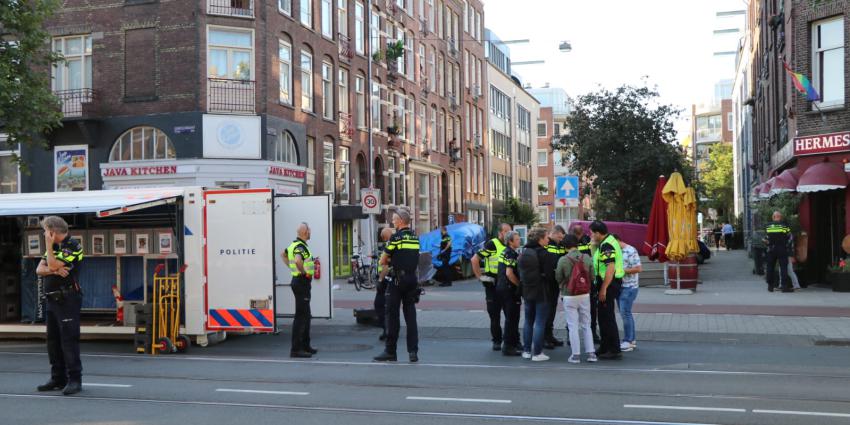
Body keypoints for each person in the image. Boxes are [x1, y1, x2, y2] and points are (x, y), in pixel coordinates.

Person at [36, 216, 84, 396]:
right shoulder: (54, 247)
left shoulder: (73, 246)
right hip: (52, 300)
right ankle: (58, 378)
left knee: (68, 340)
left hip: (67, 299)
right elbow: (39, 269)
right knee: (53, 341)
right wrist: (54, 269)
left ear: (52, 232)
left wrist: (50, 254)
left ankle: (74, 379)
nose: (43, 234)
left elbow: (51, 262)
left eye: (45, 231)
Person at [374, 207, 421, 362]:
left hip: (397, 281)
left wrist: (391, 260)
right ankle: (413, 352)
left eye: (394, 220)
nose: (393, 222)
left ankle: (390, 351)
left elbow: (382, 260)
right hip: (412, 280)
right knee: (411, 317)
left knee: (392, 316)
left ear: (401, 221)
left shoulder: (396, 238)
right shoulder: (415, 238)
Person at [554, 234, 596, 364]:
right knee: (586, 325)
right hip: (585, 294)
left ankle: (575, 355)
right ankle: (591, 354)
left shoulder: (563, 260)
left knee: (572, 326)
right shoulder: (587, 257)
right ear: (577, 244)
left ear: (565, 246)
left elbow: (558, 278)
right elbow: (593, 276)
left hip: (569, 295)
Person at [471, 223, 512, 351]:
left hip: (506, 284)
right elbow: (474, 259)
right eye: (506, 231)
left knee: (510, 315)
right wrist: (480, 277)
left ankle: (510, 341)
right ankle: (497, 341)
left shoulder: (510, 245)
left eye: (510, 231)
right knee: (495, 316)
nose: (509, 234)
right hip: (493, 285)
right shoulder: (492, 244)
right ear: (500, 233)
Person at [590, 220, 623, 360]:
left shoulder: (607, 245)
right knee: (603, 317)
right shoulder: (604, 243)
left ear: (598, 233)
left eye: (591, 233)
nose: (590, 235)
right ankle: (605, 346)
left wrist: (603, 289)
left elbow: (610, 268)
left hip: (609, 284)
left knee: (607, 317)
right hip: (607, 283)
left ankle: (614, 348)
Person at [283, 222, 317, 358]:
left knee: (306, 315)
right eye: (309, 230)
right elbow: (297, 260)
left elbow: (283, 255)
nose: (310, 232)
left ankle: (305, 345)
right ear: (305, 232)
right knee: (301, 316)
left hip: (297, 281)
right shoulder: (300, 247)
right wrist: (303, 273)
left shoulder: (292, 245)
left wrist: (292, 269)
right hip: (301, 282)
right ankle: (296, 349)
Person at [518, 227, 551, 361]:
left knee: (528, 321)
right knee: (540, 322)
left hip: (527, 290)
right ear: (540, 239)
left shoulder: (525, 251)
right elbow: (549, 274)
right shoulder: (544, 253)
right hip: (541, 291)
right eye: (546, 237)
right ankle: (537, 353)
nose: (548, 239)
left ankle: (526, 351)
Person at [496, 231, 523, 356]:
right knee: (512, 318)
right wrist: (519, 285)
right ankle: (508, 346)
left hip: (502, 288)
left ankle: (515, 342)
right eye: (517, 239)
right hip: (509, 290)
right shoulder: (511, 254)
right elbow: (509, 273)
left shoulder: (506, 251)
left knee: (511, 318)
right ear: (510, 241)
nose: (519, 241)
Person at [572, 224, 599, 342]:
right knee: (573, 310)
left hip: (587, 280)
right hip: (574, 280)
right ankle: (571, 335)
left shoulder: (588, 241)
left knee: (592, 308)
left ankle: (592, 333)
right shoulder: (569, 241)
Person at [615, 235, 642, 352]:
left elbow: (638, 268)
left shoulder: (630, 250)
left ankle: (628, 341)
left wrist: (621, 271)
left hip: (629, 287)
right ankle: (631, 339)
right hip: (621, 287)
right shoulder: (617, 251)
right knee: (625, 313)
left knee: (625, 313)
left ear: (617, 241)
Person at [543, 226, 567, 349]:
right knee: (547, 310)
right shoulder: (546, 244)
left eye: (562, 238)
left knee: (552, 310)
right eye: (559, 237)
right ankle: (544, 338)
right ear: (553, 233)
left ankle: (549, 335)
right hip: (547, 283)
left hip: (555, 283)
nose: (560, 239)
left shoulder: (560, 246)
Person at [764, 211, 793, 293]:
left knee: (770, 267)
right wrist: (788, 247)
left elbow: (766, 238)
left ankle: (770, 286)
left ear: (773, 217)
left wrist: (768, 244)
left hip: (771, 249)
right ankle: (784, 287)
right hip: (782, 249)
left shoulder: (768, 226)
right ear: (780, 217)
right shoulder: (784, 226)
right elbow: (790, 237)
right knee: (783, 267)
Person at [375, 227, 395, 341]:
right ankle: (386, 330)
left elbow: (386, 266)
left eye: (382, 236)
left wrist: (380, 280)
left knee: (380, 305)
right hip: (388, 279)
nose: (382, 238)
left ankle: (387, 330)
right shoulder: (391, 243)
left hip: (386, 280)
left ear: (385, 236)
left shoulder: (389, 245)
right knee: (387, 306)